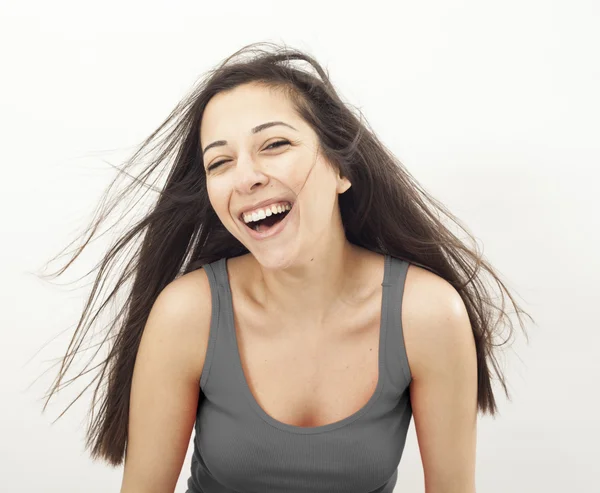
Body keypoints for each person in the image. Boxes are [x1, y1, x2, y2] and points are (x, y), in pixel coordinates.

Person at [40, 42, 533, 493]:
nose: (246, 177)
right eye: (220, 163)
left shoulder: (427, 316)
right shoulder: (188, 314)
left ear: (342, 168)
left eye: (274, 145)